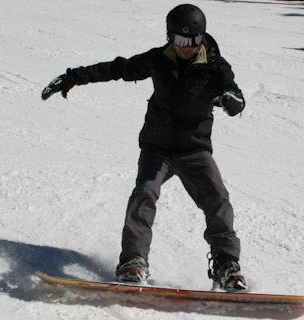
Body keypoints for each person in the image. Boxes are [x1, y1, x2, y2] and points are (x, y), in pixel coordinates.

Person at [40, 4, 248, 291]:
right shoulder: (158, 59)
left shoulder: (215, 67)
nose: (187, 47)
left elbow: (234, 94)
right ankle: (133, 262)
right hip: (157, 147)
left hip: (194, 150)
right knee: (144, 194)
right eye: (181, 41)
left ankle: (226, 265)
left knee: (217, 199)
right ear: (170, 37)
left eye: (194, 41)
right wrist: (74, 76)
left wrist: (232, 100)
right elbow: (118, 68)